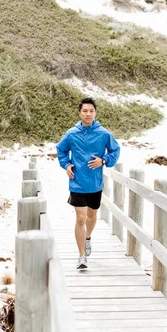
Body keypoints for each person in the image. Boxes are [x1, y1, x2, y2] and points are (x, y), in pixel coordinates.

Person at [56, 98, 120, 269]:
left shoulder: (104, 133)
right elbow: (61, 150)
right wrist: (67, 164)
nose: (88, 113)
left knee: (92, 217)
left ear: (95, 113)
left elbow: (115, 150)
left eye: (91, 111)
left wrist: (104, 160)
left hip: (95, 183)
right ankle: (81, 256)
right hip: (77, 182)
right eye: (85, 111)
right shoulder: (71, 133)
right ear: (79, 113)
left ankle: (88, 237)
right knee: (81, 218)